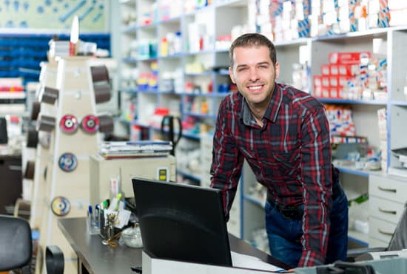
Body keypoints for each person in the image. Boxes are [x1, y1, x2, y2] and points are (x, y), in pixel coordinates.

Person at [210, 33, 348, 268]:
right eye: (243, 68)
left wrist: (308, 266)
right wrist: (207, 235)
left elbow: (316, 192)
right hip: (278, 214)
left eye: (261, 66)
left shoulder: (306, 112)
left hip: (322, 212)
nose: (253, 76)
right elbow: (223, 178)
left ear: (276, 68)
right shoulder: (229, 108)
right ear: (232, 74)